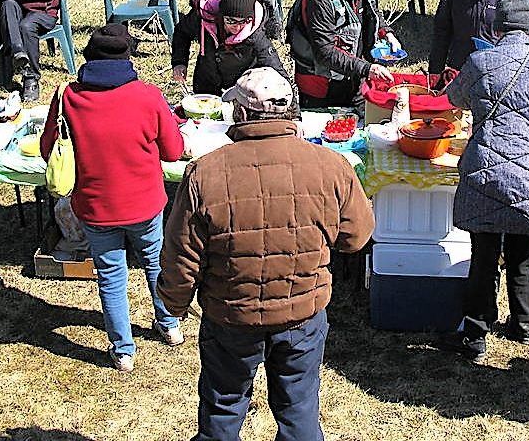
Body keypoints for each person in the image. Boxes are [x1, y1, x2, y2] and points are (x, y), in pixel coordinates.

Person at [159, 66, 374, 441]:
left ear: (241, 114)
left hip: (230, 316)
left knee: (223, 407)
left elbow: (182, 256)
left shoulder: (204, 173)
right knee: (299, 411)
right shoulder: (331, 166)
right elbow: (356, 237)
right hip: (302, 314)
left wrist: (174, 306)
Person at [40, 24, 187, 372]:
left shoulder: (68, 97)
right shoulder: (148, 96)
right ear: (127, 59)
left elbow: (49, 147)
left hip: (95, 207)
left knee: (110, 275)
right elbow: (173, 151)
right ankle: (168, 325)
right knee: (155, 263)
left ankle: (123, 350)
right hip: (145, 204)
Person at [437, 0, 529, 362]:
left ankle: (475, 335)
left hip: (486, 171)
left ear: (496, 27)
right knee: (523, 252)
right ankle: (524, 323)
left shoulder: (480, 62)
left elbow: (453, 100)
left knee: (483, 255)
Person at [287, 0, 399, 109]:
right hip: (322, 86)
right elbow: (324, 52)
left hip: (354, 79)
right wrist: (367, 68)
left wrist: (387, 33)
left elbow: (373, 12)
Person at [172, 0, 289, 96]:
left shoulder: (256, 32)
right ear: (221, 15)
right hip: (206, 81)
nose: (238, 27)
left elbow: (275, 67)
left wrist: (290, 105)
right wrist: (179, 62)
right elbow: (182, 32)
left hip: (243, 88)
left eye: (244, 21)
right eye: (231, 21)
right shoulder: (203, 16)